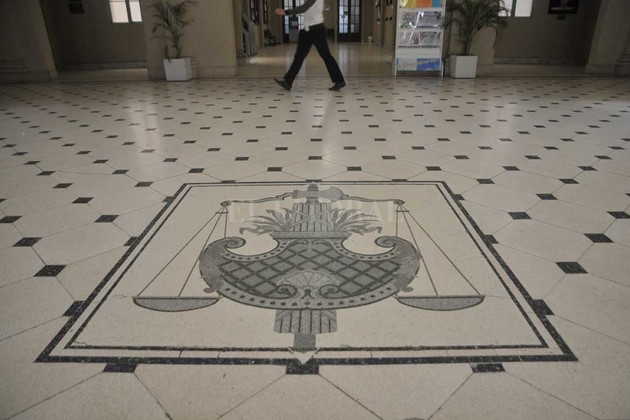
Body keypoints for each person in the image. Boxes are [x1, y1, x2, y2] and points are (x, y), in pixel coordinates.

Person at [274, 0, 346, 92]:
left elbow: (304, 8)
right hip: (307, 30)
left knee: (326, 56)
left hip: (317, 30)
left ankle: (339, 80)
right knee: (299, 56)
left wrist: (286, 12)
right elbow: (325, 6)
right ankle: (287, 82)